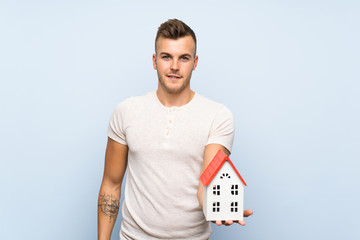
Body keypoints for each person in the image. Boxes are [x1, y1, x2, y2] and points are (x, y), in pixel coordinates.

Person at [98, 19, 253, 240]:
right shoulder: (126, 111)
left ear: (195, 62)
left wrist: (222, 208)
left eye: (184, 58)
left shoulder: (218, 116)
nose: (174, 66)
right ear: (154, 61)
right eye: (166, 57)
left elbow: (206, 184)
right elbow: (111, 185)